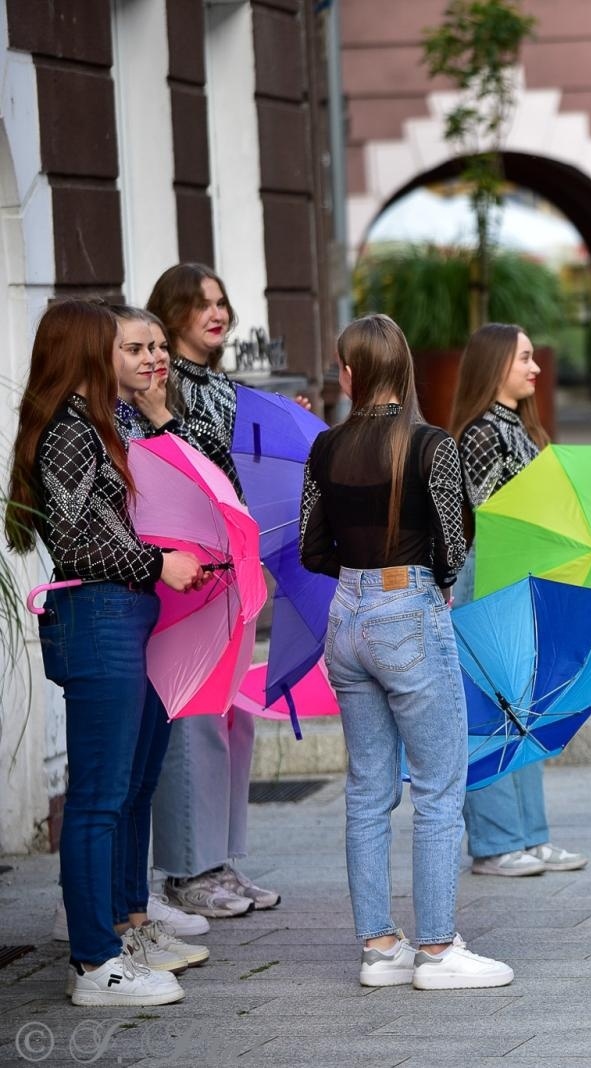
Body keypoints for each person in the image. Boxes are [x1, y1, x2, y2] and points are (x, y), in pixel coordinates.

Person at [300, 314, 512, 990]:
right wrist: (433, 584)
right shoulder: (430, 444)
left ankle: (378, 947)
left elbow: (312, 547)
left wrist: (359, 568)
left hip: (347, 615)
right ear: (406, 369)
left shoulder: (325, 449)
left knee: (367, 788)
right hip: (409, 608)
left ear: (349, 373)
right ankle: (437, 949)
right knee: (439, 786)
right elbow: (453, 543)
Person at [5, 300, 205, 1006]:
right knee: (96, 800)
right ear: (86, 353)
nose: (132, 359)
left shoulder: (90, 429)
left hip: (119, 616)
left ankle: (116, 936)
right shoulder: (68, 432)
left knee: (114, 792)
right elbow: (77, 540)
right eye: (113, 346)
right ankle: (93, 962)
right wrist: (157, 566)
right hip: (99, 617)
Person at [145, 263, 278, 919]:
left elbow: (240, 468)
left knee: (234, 717)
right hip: (185, 573)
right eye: (201, 304)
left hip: (234, 567)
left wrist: (279, 431)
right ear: (170, 315)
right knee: (194, 718)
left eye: (222, 301)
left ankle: (223, 861)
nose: (216, 313)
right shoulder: (152, 389)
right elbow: (178, 465)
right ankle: (187, 870)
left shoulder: (224, 389)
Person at [450, 322, 587, 878]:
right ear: (495, 366)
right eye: (524, 358)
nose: (535, 368)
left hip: (518, 571)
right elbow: (491, 511)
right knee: (492, 710)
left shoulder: (519, 429)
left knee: (524, 709)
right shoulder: (482, 433)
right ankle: (495, 841)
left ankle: (530, 834)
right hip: (490, 573)